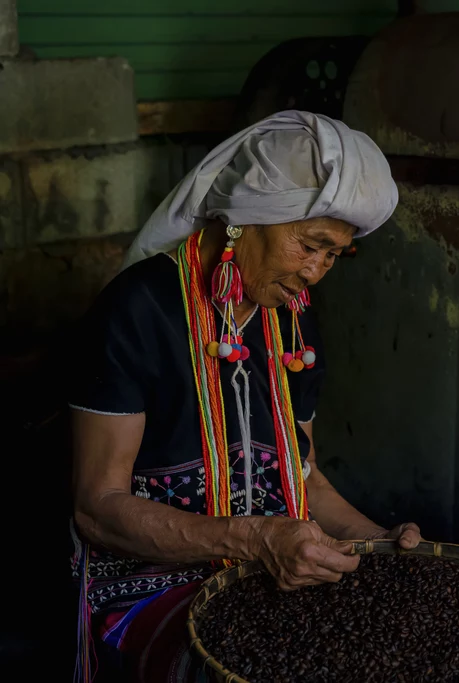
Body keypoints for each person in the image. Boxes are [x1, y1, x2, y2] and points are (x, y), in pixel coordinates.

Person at [69, 111, 421, 683]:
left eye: (334, 255)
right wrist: (256, 538)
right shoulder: (137, 311)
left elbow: (303, 479)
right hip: (146, 587)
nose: (316, 272)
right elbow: (96, 507)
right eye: (310, 245)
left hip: (270, 572)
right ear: (246, 218)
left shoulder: (293, 326)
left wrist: (377, 544)